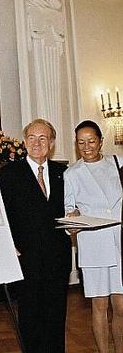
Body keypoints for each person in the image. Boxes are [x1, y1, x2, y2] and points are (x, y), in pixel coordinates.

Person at [0, 118, 71, 353]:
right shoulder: (10, 173)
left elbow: (71, 208)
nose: (36, 143)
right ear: (24, 142)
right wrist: (10, 245)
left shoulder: (64, 173)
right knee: (30, 318)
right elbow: (1, 214)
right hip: (26, 258)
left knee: (56, 316)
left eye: (42, 138)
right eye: (31, 138)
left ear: (51, 142)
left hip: (58, 258)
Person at [64, 120, 123, 353]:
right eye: (81, 143)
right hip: (94, 245)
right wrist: (73, 218)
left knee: (120, 306)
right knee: (99, 305)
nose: (86, 147)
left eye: (91, 141)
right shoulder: (72, 174)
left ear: (101, 141)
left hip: (119, 242)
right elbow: (69, 212)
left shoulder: (116, 163)